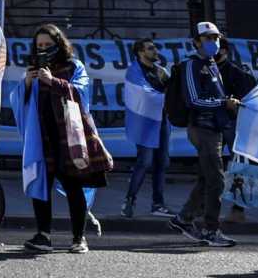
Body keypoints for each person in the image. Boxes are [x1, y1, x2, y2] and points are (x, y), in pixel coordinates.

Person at [15, 24, 112, 254]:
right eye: (39, 45)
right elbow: (20, 102)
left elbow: (81, 94)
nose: (43, 49)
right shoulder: (33, 70)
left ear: (59, 45)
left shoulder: (74, 66)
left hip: (69, 137)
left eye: (48, 45)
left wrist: (53, 82)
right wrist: (27, 84)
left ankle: (79, 238)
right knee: (41, 185)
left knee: (73, 185)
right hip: (42, 137)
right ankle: (43, 236)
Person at [168, 22, 240, 248]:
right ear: (197, 41)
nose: (214, 42)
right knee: (217, 181)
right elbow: (193, 100)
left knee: (207, 178)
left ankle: (184, 218)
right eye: (208, 38)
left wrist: (228, 103)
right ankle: (211, 230)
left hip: (214, 129)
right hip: (202, 128)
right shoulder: (192, 65)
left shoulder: (211, 64)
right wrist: (223, 102)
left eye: (216, 37)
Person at [121, 38, 175, 218]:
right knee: (144, 162)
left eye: (155, 48)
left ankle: (158, 204)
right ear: (140, 52)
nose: (155, 51)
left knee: (161, 163)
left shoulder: (161, 72)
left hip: (162, 122)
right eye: (150, 48)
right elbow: (144, 94)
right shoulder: (134, 72)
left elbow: (173, 92)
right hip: (144, 123)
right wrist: (166, 97)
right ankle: (129, 200)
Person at [214, 38, 257, 223]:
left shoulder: (237, 71)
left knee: (241, 164)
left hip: (233, 123)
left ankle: (239, 208)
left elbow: (250, 97)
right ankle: (203, 206)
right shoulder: (204, 68)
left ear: (223, 51)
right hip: (213, 124)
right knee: (211, 165)